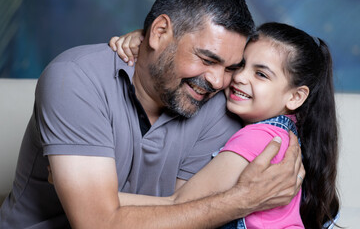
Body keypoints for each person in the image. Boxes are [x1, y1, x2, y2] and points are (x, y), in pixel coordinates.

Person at [0, 0, 304, 228]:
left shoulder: (221, 109)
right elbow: (97, 224)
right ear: (159, 32)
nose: (217, 80)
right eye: (207, 59)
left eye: (231, 67)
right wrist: (243, 200)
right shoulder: (77, 79)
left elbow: (185, 213)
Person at [110, 22, 340, 228]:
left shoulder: (259, 139)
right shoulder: (285, 130)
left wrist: (92, 199)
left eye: (261, 74)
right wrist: (147, 41)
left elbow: (179, 205)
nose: (239, 77)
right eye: (239, 65)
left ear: (296, 97)